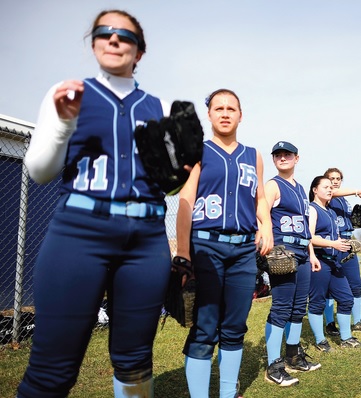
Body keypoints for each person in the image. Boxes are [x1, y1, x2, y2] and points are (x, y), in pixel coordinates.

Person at [18, 10, 174, 397]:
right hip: (80, 233)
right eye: (105, 32)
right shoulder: (69, 92)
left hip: (146, 239)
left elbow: (170, 187)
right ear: (94, 43)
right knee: (52, 370)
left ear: (140, 51)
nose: (114, 39)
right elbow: (39, 170)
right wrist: (63, 123)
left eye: (125, 34)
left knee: (136, 361)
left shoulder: (164, 108)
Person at [176, 88, 273, 398]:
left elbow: (259, 198)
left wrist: (266, 224)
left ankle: (228, 394)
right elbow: (185, 200)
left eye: (232, 108)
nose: (225, 112)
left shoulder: (253, 155)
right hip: (207, 247)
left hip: (244, 250)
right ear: (209, 114)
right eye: (219, 108)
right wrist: (181, 251)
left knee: (234, 326)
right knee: (205, 328)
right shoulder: (198, 152)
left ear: (241, 115)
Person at [263, 141, 321, 387]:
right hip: (283, 252)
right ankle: (273, 365)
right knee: (281, 308)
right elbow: (261, 214)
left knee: (299, 308)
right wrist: (266, 244)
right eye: (278, 154)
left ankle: (293, 356)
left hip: (303, 252)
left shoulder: (299, 189)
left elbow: (306, 229)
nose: (282, 157)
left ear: (297, 158)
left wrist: (312, 254)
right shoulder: (273, 185)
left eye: (287, 154)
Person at [307, 176, 361, 349]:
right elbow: (309, 237)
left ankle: (346, 338)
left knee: (346, 298)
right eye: (325, 186)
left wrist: (346, 243)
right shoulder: (312, 209)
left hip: (334, 261)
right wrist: (333, 244)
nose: (329, 189)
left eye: (330, 188)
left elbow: (333, 236)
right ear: (315, 190)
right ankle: (320, 340)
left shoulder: (331, 212)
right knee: (317, 302)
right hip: (319, 261)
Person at [323, 168, 361, 336]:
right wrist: (356, 191)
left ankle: (357, 320)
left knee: (356, 284)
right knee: (330, 288)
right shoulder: (328, 195)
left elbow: (351, 221)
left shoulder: (344, 200)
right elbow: (332, 193)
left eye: (338, 178)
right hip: (333, 244)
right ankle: (330, 324)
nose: (335, 181)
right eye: (332, 178)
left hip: (348, 242)